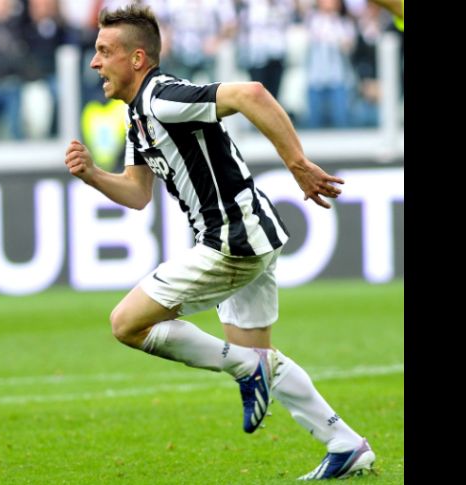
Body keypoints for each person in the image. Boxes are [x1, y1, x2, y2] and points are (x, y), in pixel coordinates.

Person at [63, 4, 375, 480]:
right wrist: (92, 175)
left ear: (138, 58)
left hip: (230, 242)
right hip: (250, 235)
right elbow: (138, 193)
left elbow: (251, 93)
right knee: (262, 358)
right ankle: (346, 444)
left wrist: (297, 165)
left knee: (127, 324)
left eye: (104, 51)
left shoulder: (162, 96)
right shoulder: (138, 118)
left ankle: (246, 368)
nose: (95, 62)